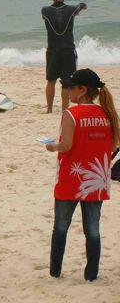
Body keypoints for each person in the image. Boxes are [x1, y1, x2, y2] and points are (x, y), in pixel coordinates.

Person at [45, 68, 120, 281]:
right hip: (97, 179)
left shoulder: (71, 114)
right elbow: (113, 145)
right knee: (93, 229)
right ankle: (91, 275)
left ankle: (55, 272)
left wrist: (51, 147)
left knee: (61, 226)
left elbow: (66, 146)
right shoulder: (108, 113)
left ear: (82, 90)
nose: (67, 91)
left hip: (71, 178)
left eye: (70, 88)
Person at [42, 0, 87, 113]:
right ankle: (64, 110)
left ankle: (49, 109)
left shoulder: (45, 10)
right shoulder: (71, 10)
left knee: (51, 81)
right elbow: (78, 8)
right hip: (67, 49)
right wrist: (82, 5)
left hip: (52, 50)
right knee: (66, 82)